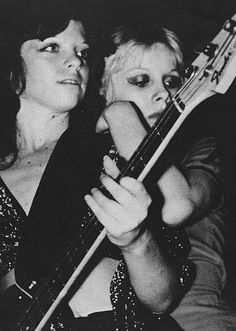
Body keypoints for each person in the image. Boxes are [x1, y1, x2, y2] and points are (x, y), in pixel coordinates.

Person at [0, 1, 191, 330]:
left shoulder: (115, 152)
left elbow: (163, 298)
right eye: (52, 47)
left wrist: (136, 239)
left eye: (82, 52)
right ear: (11, 68)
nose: (75, 60)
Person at [98, 22, 236, 331]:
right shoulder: (88, 152)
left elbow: (177, 206)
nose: (164, 94)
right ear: (101, 86)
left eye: (172, 81)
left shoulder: (201, 149)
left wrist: (120, 111)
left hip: (194, 320)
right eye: (141, 81)